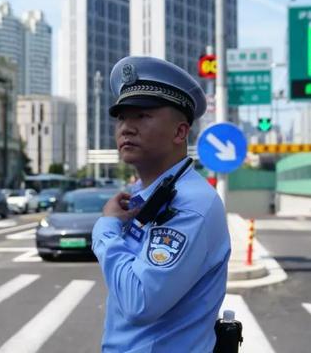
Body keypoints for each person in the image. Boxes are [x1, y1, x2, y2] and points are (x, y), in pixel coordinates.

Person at [92, 56, 231, 352]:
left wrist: (105, 228)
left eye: (142, 116)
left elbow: (139, 300)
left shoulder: (190, 204)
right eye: (121, 117)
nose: (126, 128)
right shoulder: (146, 195)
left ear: (180, 132)